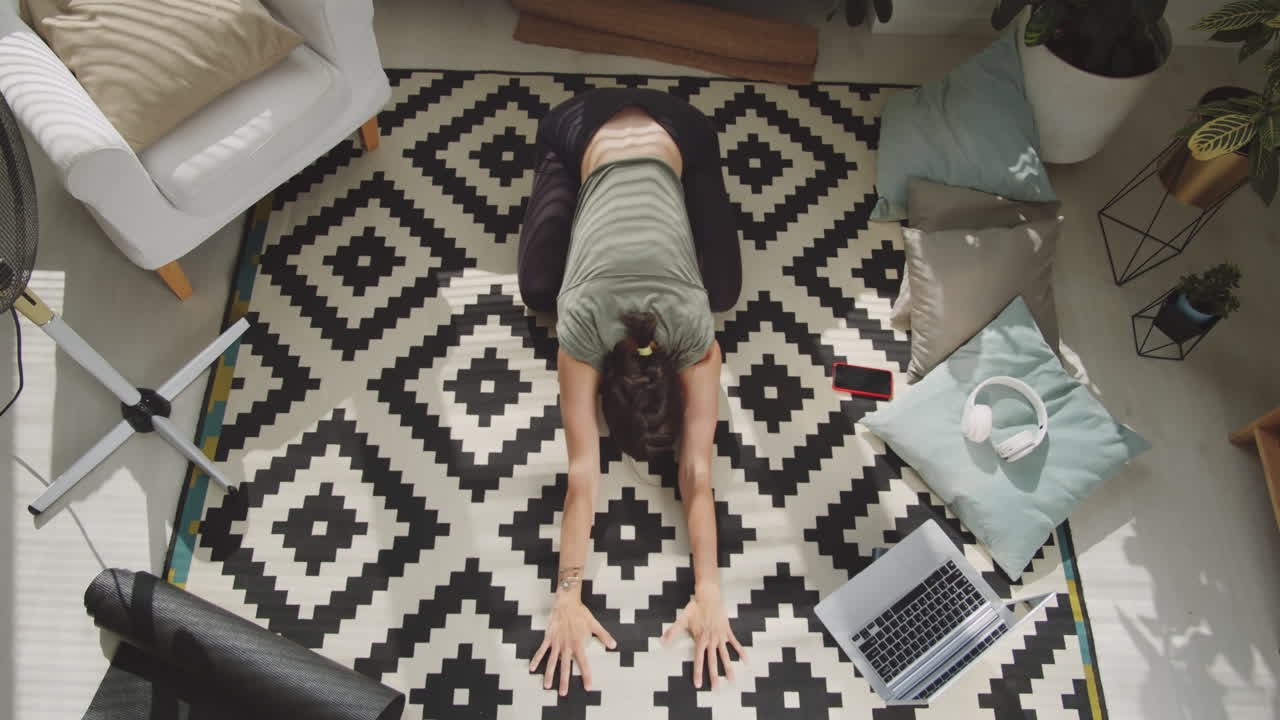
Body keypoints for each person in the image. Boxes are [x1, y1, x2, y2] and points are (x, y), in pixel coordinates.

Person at [517, 88, 744, 697]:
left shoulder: (694, 332)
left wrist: (709, 590)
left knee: (723, 288)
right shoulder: (582, 329)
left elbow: (689, 471)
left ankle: (685, 166)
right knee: (539, 290)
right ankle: (566, 159)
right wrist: (567, 595)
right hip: (581, 126)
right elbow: (585, 478)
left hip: (673, 130)